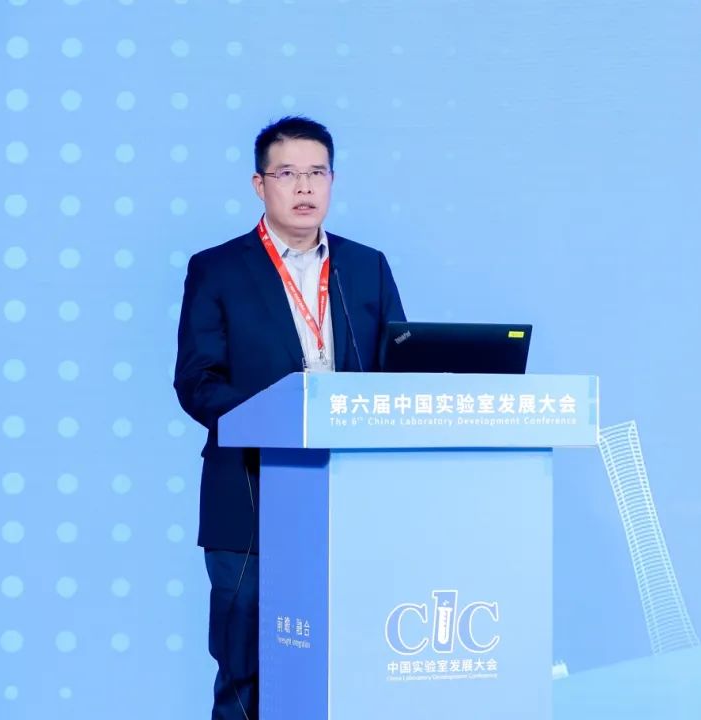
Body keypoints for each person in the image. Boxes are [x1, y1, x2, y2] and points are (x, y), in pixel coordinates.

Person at [173, 115, 407, 720]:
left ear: (332, 181)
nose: (304, 186)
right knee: (246, 670)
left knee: (351, 657)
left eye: (316, 173)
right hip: (250, 495)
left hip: (351, 494)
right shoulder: (218, 268)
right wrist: (280, 418)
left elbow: (399, 371)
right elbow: (197, 382)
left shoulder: (367, 266)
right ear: (260, 185)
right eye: (287, 174)